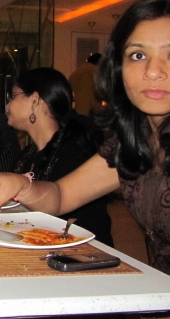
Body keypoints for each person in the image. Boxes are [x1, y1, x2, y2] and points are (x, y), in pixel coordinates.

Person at [0, 0, 170, 319]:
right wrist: (22, 185)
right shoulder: (133, 140)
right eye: (138, 55)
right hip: (154, 302)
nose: (153, 71)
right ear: (119, 68)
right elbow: (61, 196)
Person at [6, 67, 113, 246]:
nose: (7, 105)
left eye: (13, 96)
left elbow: (76, 224)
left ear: (34, 100)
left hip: (82, 251)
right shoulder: (28, 155)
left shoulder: (74, 154)